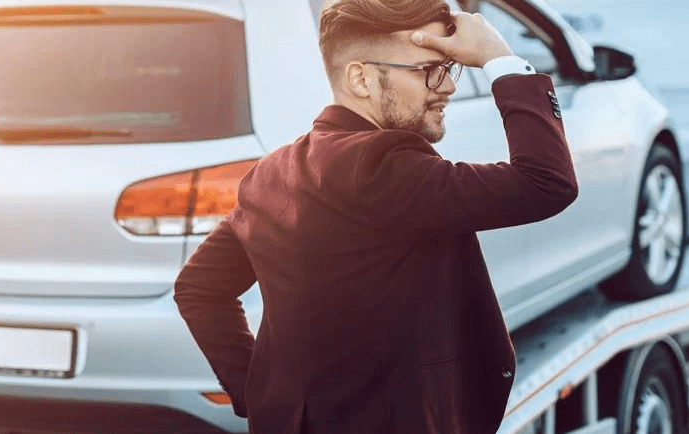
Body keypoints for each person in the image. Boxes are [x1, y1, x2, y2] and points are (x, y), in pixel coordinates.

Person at [173, 0, 577, 432]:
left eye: (451, 67)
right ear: (361, 79)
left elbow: (198, 289)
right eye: (428, 69)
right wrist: (501, 60)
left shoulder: (274, 170)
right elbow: (546, 182)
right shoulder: (383, 165)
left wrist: (262, 391)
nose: (448, 87)